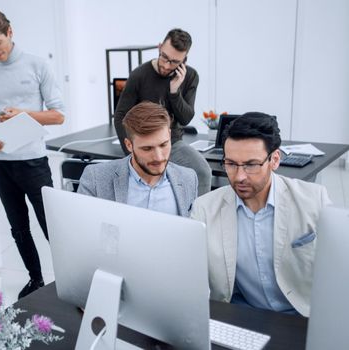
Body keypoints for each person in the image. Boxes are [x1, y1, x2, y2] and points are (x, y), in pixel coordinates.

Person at [190, 113, 331, 316]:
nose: (239, 177)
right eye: (230, 164)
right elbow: (192, 277)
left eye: (251, 165)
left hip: (302, 316)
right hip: (241, 315)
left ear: (274, 160)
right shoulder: (204, 209)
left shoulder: (314, 200)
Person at [0, 10, 65, 299]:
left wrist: (24, 114)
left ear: (10, 33)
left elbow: (58, 115)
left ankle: (70, 281)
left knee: (52, 226)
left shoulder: (38, 66)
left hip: (34, 162)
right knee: (19, 228)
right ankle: (36, 281)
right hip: (1, 164)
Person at [114, 28, 211, 196]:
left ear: (184, 60)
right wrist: (131, 152)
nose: (166, 65)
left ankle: (197, 219)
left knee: (202, 172)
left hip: (172, 143)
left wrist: (174, 92)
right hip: (145, 142)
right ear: (159, 47)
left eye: (174, 61)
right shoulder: (139, 75)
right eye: (164, 57)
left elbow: (186, 118)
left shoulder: (190, 76)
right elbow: (120, 116)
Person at [78, 101, 198, 217]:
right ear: (129, 145)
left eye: (163, 145)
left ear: (169, 135)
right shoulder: (95, 179)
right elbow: (83, 230)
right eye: (147, 148)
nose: (159, 157)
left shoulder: (189, 179)